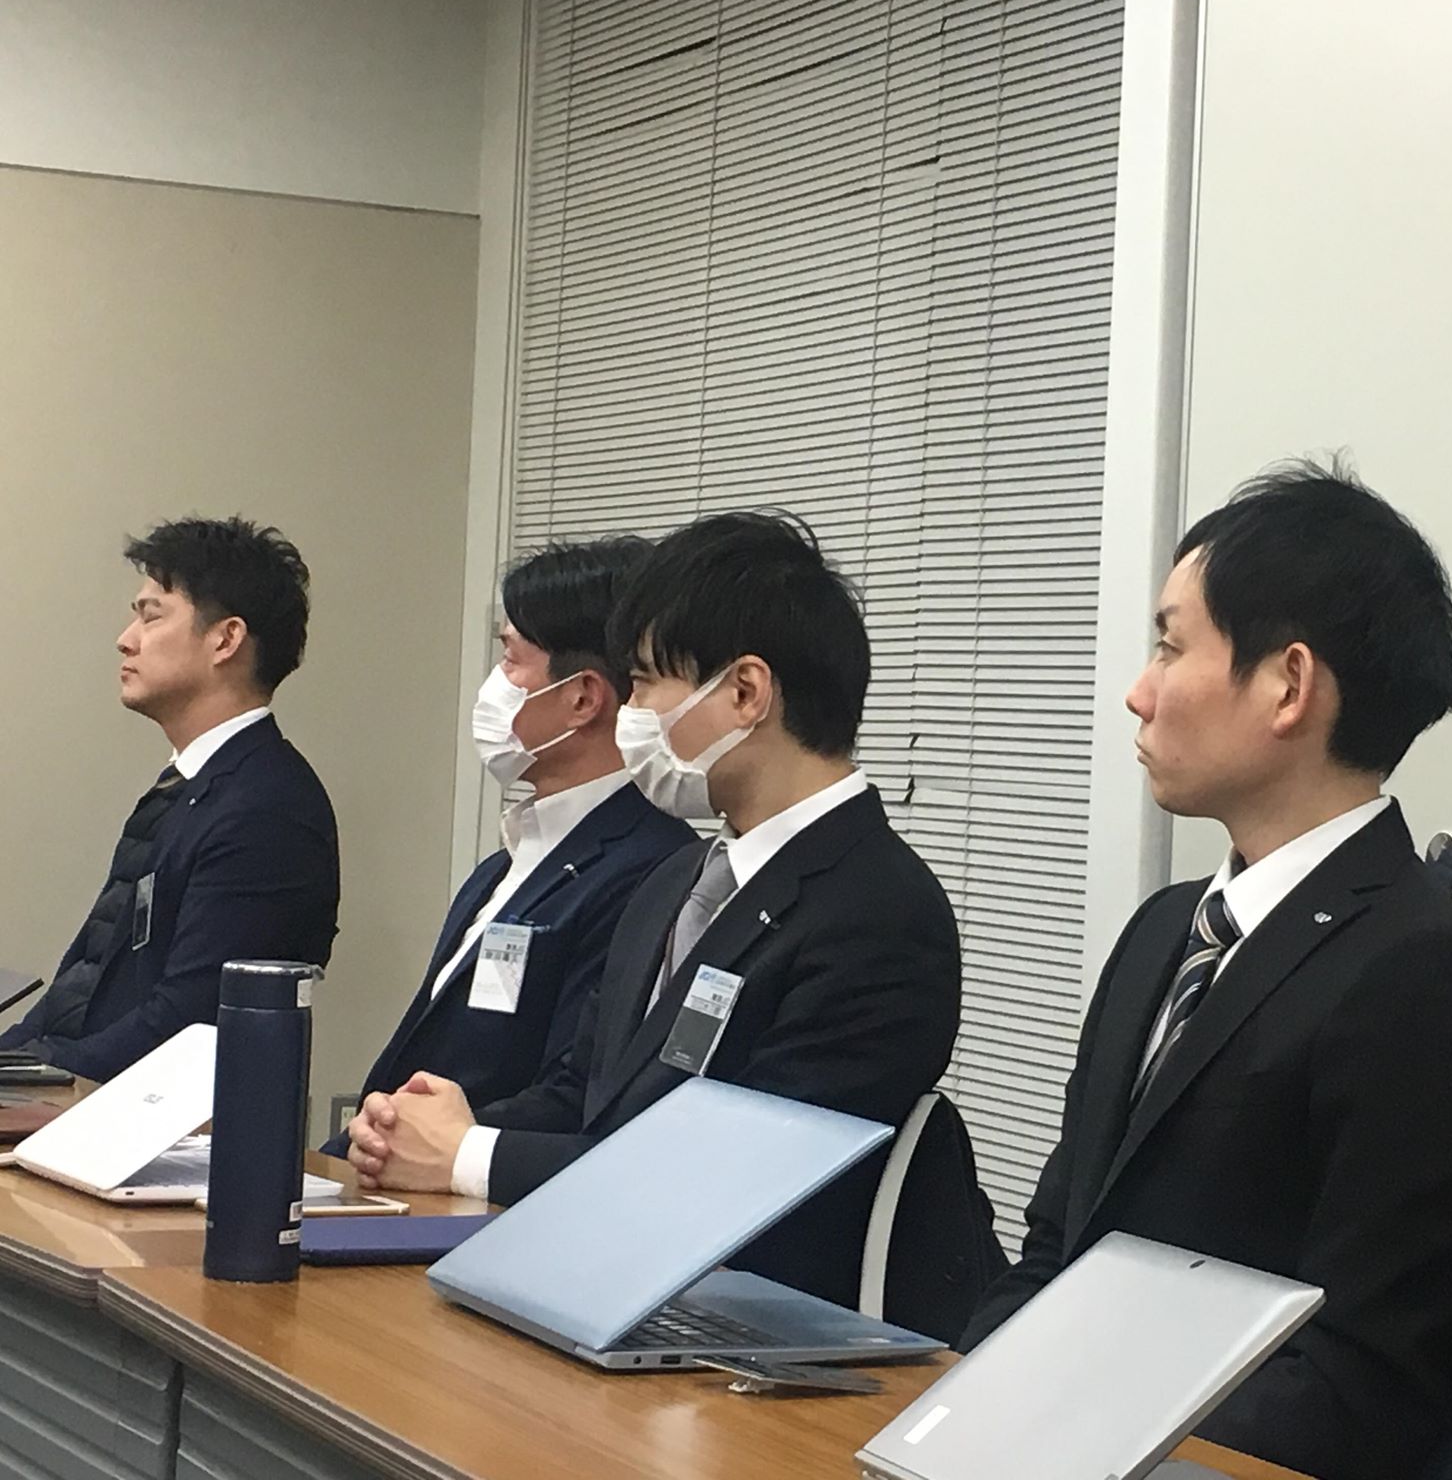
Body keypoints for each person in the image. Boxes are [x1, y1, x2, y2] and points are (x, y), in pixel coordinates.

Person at [959, 464, 1452, 1480]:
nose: (1139, 692)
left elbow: (1357, 1387)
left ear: (1287, 685)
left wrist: (1073, 1433)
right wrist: (961, 1407)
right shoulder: (1161, 933)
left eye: (1169, 646)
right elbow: (1054, 1249)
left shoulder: (1428, 978)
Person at [345, 511, 962, 1310]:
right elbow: (583, 1091)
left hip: (748, 1335)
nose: (631, 712)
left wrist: (468, 1158)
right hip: (610, 1293)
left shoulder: (878, 913)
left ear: (744, 692)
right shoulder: (677, 880)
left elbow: (735, 1179)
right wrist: (429, 1126)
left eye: (643, 683)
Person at [322, 539, 691, 1147]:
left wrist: (428, 1144)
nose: (494, 685)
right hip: (391, 1174)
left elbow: (575, 1092)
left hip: (479, 1187)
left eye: (511, 659)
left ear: (582, 698)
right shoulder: (507, 860)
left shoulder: (651, 868)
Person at [1, 517, 339, 1081]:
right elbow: (81, 986)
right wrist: (15, 1064)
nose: (126, 638)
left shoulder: (267, 809)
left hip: (152, 1120)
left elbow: (187, 1022)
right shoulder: (188, 787)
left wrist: (36, 1076)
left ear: (225, 639)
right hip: (84, 1100)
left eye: (151, 615)